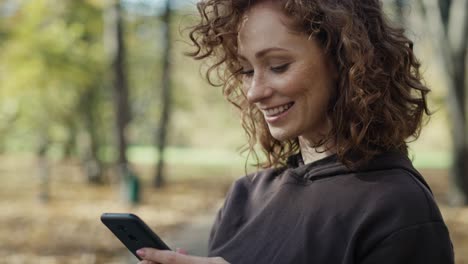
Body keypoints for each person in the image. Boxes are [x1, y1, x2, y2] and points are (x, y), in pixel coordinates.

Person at [136, 0, 454, 263]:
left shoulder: (398, 207)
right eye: (246, 71)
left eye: (278, 66)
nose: (253, 92)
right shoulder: (244, 198)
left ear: (343, 59)